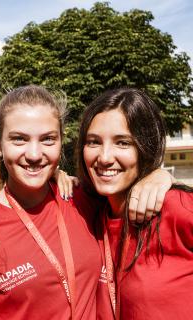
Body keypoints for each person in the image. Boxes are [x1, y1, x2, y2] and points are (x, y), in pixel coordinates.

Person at [0, 84, 173, 320]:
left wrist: (159, 176)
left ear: (62, 140)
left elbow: (127, 181)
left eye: (48, 139)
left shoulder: (84, 199)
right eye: (19, 139)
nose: (33, 153)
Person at [77, 87, 193, 320]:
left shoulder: (175, 206)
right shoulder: (86, 213)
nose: (105, 157)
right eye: (93, 142)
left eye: (122, 143)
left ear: (144, 147)